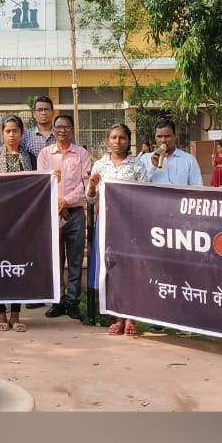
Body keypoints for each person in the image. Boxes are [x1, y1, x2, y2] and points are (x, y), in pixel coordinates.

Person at [88, 124, 148, 336]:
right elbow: (91, 198)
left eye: (122, 138)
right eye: (114, 137)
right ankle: (118, 317)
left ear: (128, 140)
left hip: (130, 226)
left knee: (129, 269)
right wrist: (92, 186)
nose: (117, 141)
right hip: (106, 224)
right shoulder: (99, 165)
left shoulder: (138, 166)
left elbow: (144, 197)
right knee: (111, 270)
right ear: (108, 139)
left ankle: (131, 317)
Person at [38, 114, 90, 321]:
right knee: (56, 260)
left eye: (66, 127)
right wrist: (57, 205)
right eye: (58, 127)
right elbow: (43, 182)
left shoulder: (81, 154)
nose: (62, 130)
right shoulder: (44, 154)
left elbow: (85, 184)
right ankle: (58, 301)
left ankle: (73, 302)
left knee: (75, 260)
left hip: (75, 214)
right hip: (52, 214)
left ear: (72, 130)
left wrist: (65, 201)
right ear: (53, 130)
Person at [0, 115, 35, 329]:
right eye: (8, 131)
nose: (12, 135)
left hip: (23, 220)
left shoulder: (30, 157)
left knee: (18, 267)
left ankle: (15, 315)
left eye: (15, 131)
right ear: (2, 133)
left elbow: (36, 186)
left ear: (21, 133)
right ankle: (0, 315)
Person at [139, 119, 202, 185]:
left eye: (167, 136)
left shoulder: (189, 160)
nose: (163, 140)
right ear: (155, 137)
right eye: (159, 136)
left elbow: (197, 186)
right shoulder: (145, 159)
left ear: (175, 136)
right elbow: (139, 185)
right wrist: (153, 166)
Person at [21, 95, 57, 166]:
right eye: (40, 110)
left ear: (53, 112)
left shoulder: (62, 134)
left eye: (46, 109)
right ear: (34, 114)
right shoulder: (25, 136)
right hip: (34, 176)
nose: (43, 113)